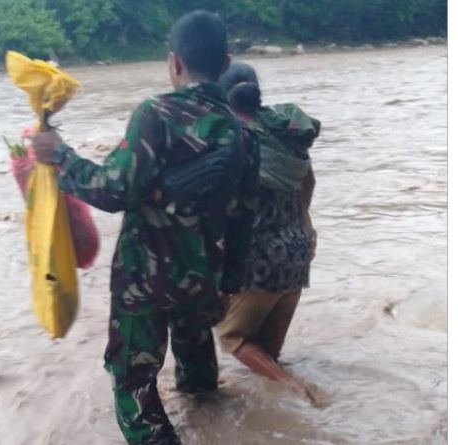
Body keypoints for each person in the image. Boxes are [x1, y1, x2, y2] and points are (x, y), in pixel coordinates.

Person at [32, 11, 259, 445]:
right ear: (226, 61)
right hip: (202, 277)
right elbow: (245, 215)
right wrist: (229, 279)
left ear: (174, 62)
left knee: (134, 378)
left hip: (145, 281)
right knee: (197, 365)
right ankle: (214, 426)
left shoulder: (155, 114)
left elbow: (113, 190)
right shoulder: (244, 133)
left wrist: (61, 156)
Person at [215, 61, 330, 406]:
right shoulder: (287, 136)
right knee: (264, 355)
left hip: (260, 259)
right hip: (297, 252)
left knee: (232, 338)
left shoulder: (234, 140)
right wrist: (295, 226)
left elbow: (224, 210)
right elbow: (308, 185)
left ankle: (295, 388)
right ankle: (279, 412)